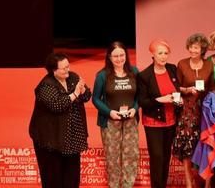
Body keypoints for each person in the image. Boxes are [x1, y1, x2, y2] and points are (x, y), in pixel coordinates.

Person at [29, 52, 91, 188]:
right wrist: (75, 93)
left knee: (72, 177)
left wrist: (82, 91)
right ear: (53, 70)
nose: (67, 70)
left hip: (72, 137)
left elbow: (86, 95)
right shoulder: (46, 86)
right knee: (53, 178)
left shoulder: (73, 77)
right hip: (50, 139)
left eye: (68, 66)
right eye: (63, 68)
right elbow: (58, 105)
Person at [92, 42, 141, 188]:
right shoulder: (103, 75)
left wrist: (135, 108)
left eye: (122, 55)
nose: (119, 58)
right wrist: (109, 112)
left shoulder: (134, 72)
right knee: (112, 157)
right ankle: (113, 185)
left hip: (130, 121)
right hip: (110, 122)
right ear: (109, 57)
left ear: (126, 55)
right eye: (115, 56)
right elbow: (95, 98)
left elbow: (140, 95)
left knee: (131, 156)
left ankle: (128, 185)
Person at [138, 39, 182, 188]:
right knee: (157, 156)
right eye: (160, 53)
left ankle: (162, 184)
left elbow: (177, 89)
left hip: (171, 120)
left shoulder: (172, 68)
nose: (163, 56)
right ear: (153, 54)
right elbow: (142, 102)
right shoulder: (145, 75)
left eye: (166, 53)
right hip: (153, 121)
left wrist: (179, 100)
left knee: (166, 156)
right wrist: (160, 100)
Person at [174, 33, 215, 188]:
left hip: (205, 110)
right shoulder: (182, 64)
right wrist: (186, 89)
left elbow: (212, 88)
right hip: (187, 111)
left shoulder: (209, 65)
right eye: (191, 47)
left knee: (207, 144)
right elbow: (175, 87)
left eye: (196, 47)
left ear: (202, 49)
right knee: (187, 146)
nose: (193, 50)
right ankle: (188, 182)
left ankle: (207, 182)